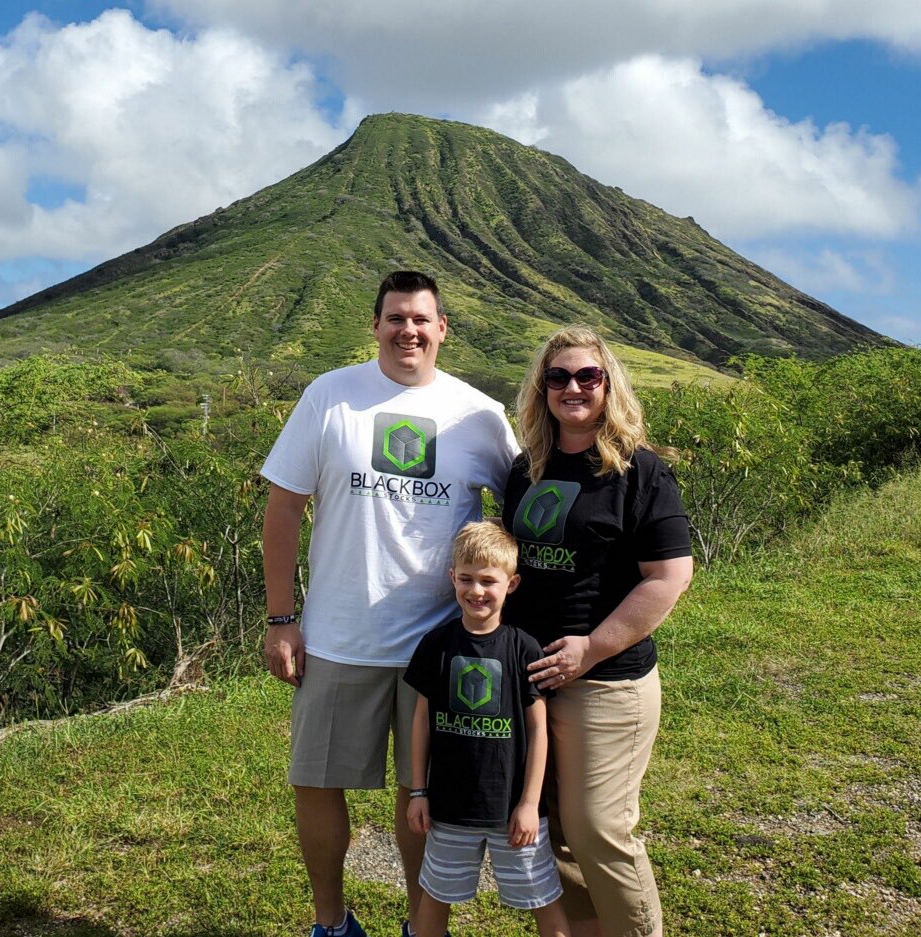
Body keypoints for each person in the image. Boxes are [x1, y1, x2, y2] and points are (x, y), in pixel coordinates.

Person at [261, 271, 519, 937]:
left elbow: (524, 512)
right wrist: (282, 619)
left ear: (443, 330)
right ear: (375, 325)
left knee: (421, 791)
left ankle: (419, 925)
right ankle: (331, 923)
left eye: (421, 319)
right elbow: (284, 507)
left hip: (438, 644)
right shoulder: (330, 396)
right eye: (396, 317)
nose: (409, 330)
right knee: (316, 781)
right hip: (337, 635)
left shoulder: (478, 415)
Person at [502, 325, 693, 937]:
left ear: (610, 385)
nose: (573, 388)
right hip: (533, 680)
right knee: (554, 830)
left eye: (588, 376)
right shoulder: (525, 469)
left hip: (606, 682)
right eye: (558, 377)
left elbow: (669, 578)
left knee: (598, 828)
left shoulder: (640, 472)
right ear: (542, 389)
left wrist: (591, 648)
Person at [403, 521, 570, 937]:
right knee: (433, 900)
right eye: (466, 579)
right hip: (449, 808)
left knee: (544, 901)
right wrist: (419, 791)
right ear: (452, 578)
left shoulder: (524, 648)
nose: (476, 590)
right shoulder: (436, 645)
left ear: (511, 584)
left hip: (512, 812)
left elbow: (539, 731)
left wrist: (529, 803)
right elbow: (421, 720)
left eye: (488, 581)